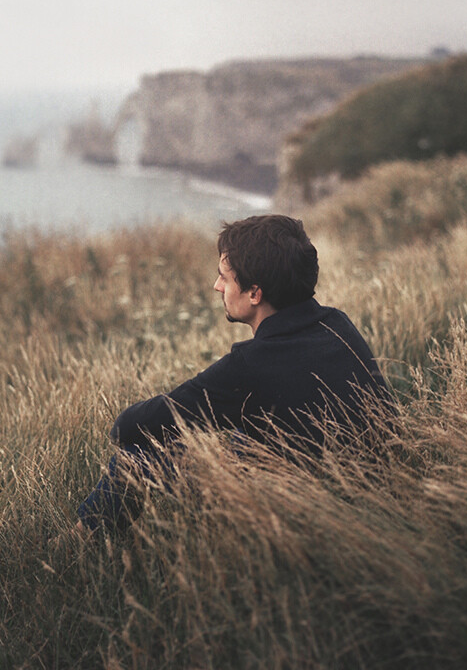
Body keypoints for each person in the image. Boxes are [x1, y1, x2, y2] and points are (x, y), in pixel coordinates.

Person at [72, 214, 393, 535]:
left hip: (299, 512)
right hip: (372, 493)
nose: (217, 286)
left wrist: (125, 426)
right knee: (243, 434)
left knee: (137, 456)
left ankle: (74, 546)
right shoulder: (338, 323)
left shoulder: (252, 365)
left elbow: (134, 425)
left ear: (254, 293)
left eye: (225, 277)